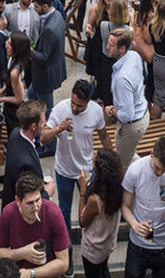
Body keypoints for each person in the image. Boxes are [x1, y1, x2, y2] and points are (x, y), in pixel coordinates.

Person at [43, 79, 107, 224]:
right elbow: (43, 138)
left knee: (89, 208)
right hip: (64, 171)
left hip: (87, 170)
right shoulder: (60, 109)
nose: (74, 107)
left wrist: (112, 157)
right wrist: (58, 129)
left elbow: (103, 134)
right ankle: (67, 246)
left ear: (88, 102)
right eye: (73, 102)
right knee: (64, 209)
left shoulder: (96, 111)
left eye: (80, 106)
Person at [123, 137, 165, 278]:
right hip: (137, 247)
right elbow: (125, 206)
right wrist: (134, 224)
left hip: (163, 247)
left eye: (164, 170)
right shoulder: (135, 170)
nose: (159, 173)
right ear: (152, 153)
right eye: (157, 168)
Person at [0, 171, 71, 278]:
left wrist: (31, 273)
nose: (36, 207)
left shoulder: (53, 213)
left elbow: (63, 263)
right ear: (17, 201)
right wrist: (22, 253)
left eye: (38, 200)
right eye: (30, 203)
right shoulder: (8, 213)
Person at [77, 149, 124, 278]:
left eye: (95, 158)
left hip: (93, 251)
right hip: (107, 245)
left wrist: (82, 191)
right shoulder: (119, 187)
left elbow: (82, 221)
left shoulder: (95, 199)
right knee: (103, 270)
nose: (93, 157)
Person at [107, 26, 149, 167]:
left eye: (111, 45)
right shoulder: (134, 55)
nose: (107, 47)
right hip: (143, 113)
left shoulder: (121, 78)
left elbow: (127, 115)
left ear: (122, 49)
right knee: (128, 154)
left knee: (122, 163)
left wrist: (111, 111)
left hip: (132, 125)